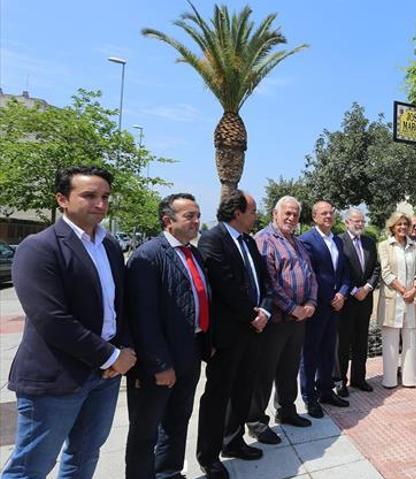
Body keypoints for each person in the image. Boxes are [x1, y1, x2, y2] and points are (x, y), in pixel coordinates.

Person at [3, 166, 136, 479]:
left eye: (105, 197)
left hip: (104, 378)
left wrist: (122, 350)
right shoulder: (40, 247)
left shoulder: (110, 246)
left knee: (84, 455)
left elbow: (120, 306)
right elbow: (52, 319)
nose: (100, 204)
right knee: (31, 466)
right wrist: (113, 357)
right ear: (62, 199)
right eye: (89, 196)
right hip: (56, 378)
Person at [125, 193, 209, 479]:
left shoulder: (193, 253)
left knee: (177, 420)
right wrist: (160, 364)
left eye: (197, 215)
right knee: (145, 430)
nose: (196, 221)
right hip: (160, 360)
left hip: (189, 352)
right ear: (167, 220)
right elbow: (142, 317)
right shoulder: (148, 256)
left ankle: (169, 472)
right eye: (189, 216)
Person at [196, 190, 273, 477]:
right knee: (218, 395)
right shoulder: (212, 240)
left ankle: (233, 441)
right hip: (228, 334)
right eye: (253, 211)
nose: (256, 216)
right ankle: (209, 455)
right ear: (237, 212)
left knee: (243, 390)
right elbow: (226, 285)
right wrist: (253, 315)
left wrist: (264, 310)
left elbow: (264, 281)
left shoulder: (249, 242)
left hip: (253, 331)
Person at [245, 196, 316, 446]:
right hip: (276, 320)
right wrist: (292, 307)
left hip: (298, 320)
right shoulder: (265, 239)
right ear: (275, 214)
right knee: (265, 373)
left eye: (295, 214)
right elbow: (269, 282)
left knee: (289, 368)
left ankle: (286, 410)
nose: (291, 218)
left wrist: (311, 303)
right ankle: (256, 422)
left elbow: (310, 276)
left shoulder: (297, 242)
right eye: (287, 213)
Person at [299, 201, 352, 418]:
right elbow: (309, 275)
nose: (328, 216)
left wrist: (343, 293)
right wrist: (330, 296)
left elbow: (344, 272)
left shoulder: (337, 241)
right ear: (314, 217)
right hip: (317, 306)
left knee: (329, 352)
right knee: (310, 353)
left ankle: (325, 391)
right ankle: (309, 397)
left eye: (331, 212)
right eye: (324, 213)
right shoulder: (306, 241)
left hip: (335, 307)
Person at [377, 212, 416, 388]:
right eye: (399, 224)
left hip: (412, 300)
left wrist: (414, 288)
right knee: (390, 341)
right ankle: (389, 379)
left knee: (411, 340)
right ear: (392, 227)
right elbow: (386, 273)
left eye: (406, 224)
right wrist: (405, 290)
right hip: (392, 300)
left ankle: (410, 378)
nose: (403, 227)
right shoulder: (384, 246)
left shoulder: (415, 246)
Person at [336, 208, 381, 396]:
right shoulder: (339, 241)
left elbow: (376, 268)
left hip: (365, 300)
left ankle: (359, 378)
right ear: (347, 222)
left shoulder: (370, 242)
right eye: (356, 221)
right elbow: (338, 269)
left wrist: (368, 288)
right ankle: (340, 381)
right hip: (347, 301)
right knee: (343, 343)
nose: (360, 224)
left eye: (362, 221)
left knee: (361, 342)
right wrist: (355, 291)